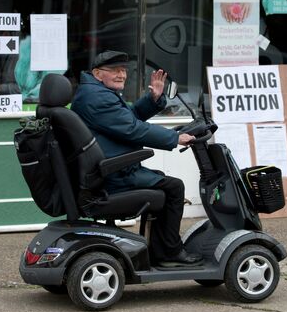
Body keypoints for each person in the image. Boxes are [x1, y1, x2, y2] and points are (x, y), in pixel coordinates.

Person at [71, 50, 203, 267]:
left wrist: (153, 99)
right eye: (114, 70)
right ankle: (169, 253)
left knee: (163, 183)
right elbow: (132, 129)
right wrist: (175, 138)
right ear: (97, 73)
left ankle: (160, 250)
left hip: (109, 171)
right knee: (174, 188)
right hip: (113, 176)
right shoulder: (97, 98)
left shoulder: (94, 93)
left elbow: (126, 119)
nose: (121, 75)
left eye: (123, 70)